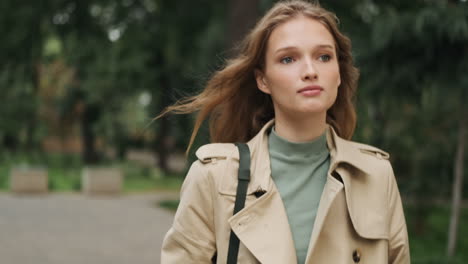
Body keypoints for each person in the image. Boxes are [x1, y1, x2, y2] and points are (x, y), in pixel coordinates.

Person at [160, 0, 410, 263]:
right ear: (263, 80)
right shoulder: (213, 177)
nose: (310, 71)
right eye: (288, 59)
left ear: (338, 73)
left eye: (324, 57)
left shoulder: (376, 174)